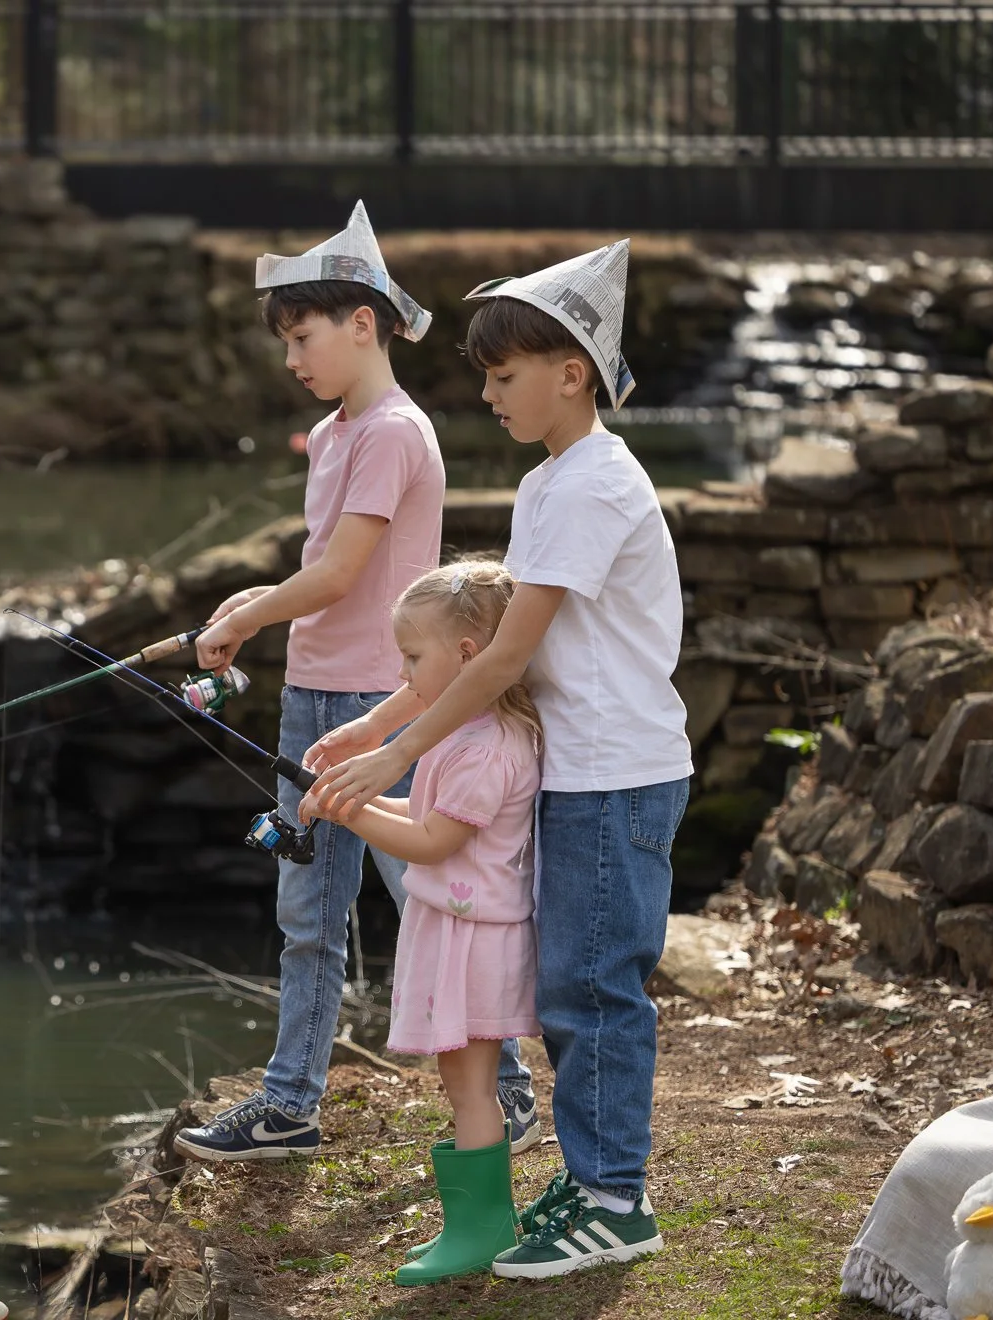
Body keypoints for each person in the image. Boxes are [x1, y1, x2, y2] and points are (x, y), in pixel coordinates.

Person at [306, 239, 692, 1278]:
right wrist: (376, 728)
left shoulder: (592, 487)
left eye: (503, 374)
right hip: (582, 770)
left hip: (617, 774)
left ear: (574, 374)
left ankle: (617, 1200)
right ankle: (597, 1175)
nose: (486, 393)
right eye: (482, 375)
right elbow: (475, 642)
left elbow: (508, 657)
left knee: (594, 988)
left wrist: (400, 757)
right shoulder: (551, 483)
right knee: (570, 985)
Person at [171, 201, 541, 1163]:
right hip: (311, 696)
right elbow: (322, 568)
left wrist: (252, 613)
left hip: (382, 701)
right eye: (286, 341)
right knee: (307, 916)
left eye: (303, 336)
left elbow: (338, 580)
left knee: (427, 892)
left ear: (363, 323)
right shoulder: (335, 435)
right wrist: (252, 602)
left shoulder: (393, 432)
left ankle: (506, 1087)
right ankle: (291, 1101)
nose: (292, 358)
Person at [301, 559, 542, 1284]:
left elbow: (437, 842)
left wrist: (353, 815)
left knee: (471, 1088)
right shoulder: (465, 734)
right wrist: (354, 799)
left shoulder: (488, 747)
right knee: (460, 1082)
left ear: (468, 657)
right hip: (456, 932)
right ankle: (476, 1220)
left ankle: (481, 1229)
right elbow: (425, 815)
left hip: (474, 941)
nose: (403, 678)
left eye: (413, 659)